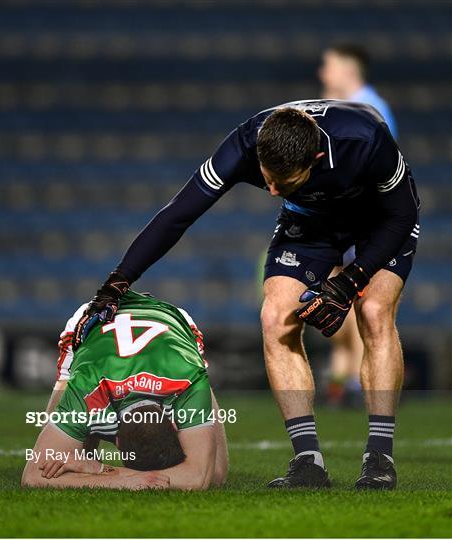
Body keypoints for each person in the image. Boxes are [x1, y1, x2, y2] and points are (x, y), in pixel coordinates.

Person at [71, 100, 419, 490]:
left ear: (317, 158)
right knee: (275, 317)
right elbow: (179, 213)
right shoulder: (245, 144)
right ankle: (307, 460)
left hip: (380, 220)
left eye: (281, 183)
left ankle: (379, 458)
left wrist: (350, 280)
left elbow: (403, 215)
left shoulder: (365, 140)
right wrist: (118, 281)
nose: (270, 191)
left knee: (373, 311)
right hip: (309, 221)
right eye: (266, 178)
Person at [22, 290, 229, 490]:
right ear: (175, 424)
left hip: (172, 330)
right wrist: (122, 477)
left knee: (215, 474)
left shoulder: (188, 378)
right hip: (92, 321)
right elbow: (35, 474)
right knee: (60, 463)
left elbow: (199, 478)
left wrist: (103, 471)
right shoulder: (87, 385)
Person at [319, 44, 399, 406]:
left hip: (363, 222)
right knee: (350, 300)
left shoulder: (369, 108)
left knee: (365, 304)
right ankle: (351, 376)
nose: (323, 72)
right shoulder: (351, 105)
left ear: (349, 70)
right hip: (350, 220)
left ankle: (356, 379)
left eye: (329, 65)